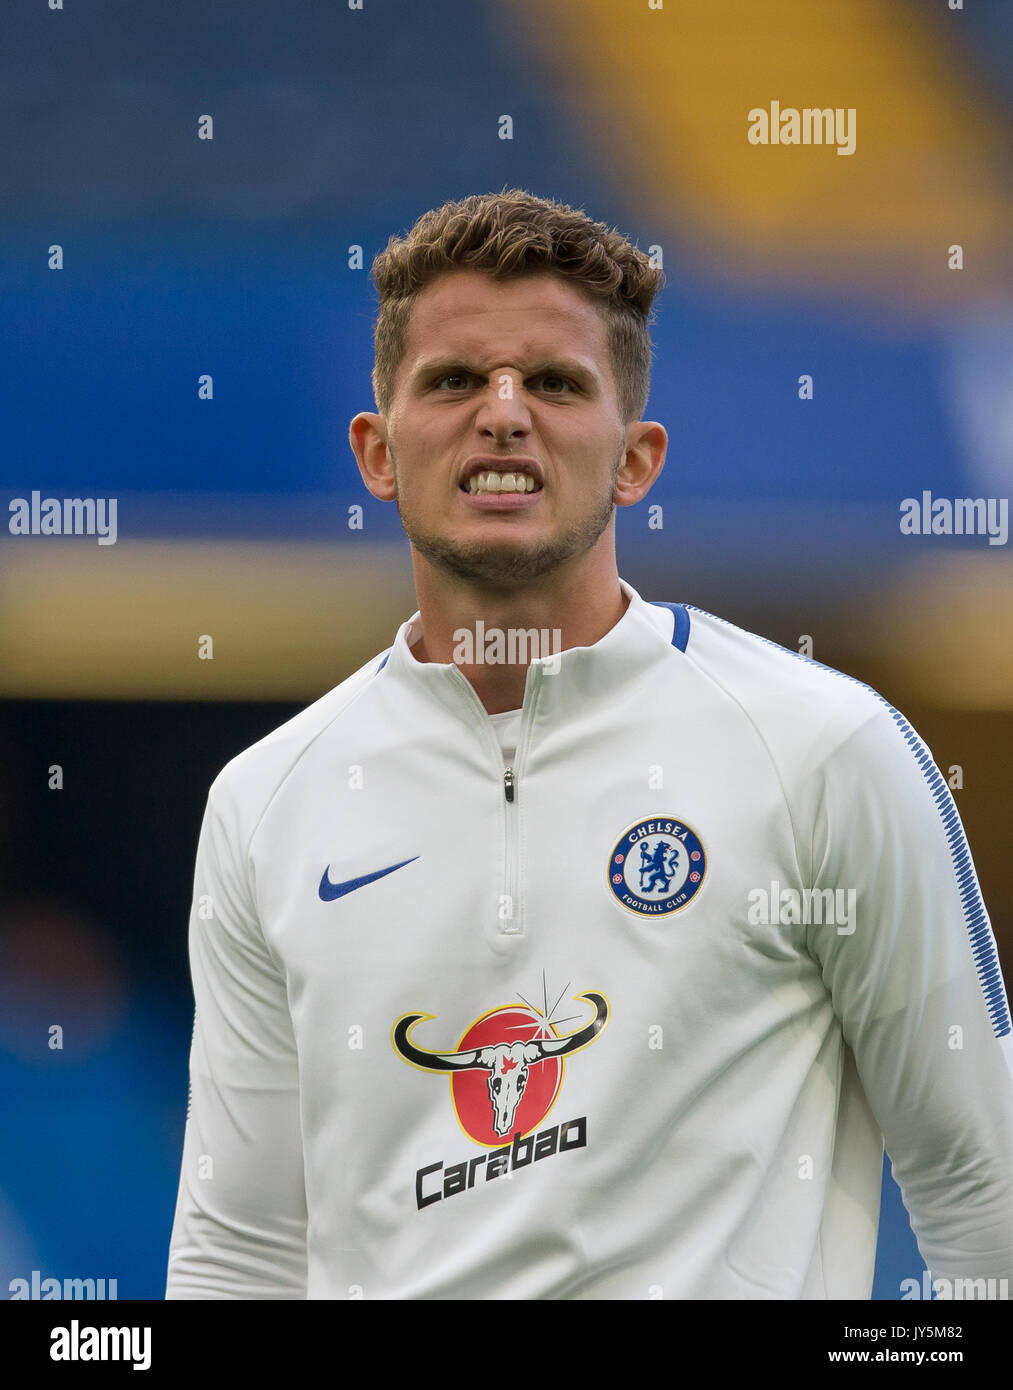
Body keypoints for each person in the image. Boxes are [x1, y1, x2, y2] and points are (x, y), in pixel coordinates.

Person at [165, 189, 1013, 1300]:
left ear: (634, 459)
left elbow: (979, 1190)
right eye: (454, 379)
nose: (504, 414)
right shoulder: (267, 800)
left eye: (556, 383)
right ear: (376, 451)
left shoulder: (820, 748)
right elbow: (241, 1250)